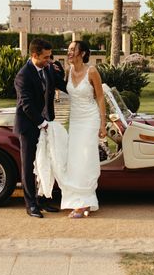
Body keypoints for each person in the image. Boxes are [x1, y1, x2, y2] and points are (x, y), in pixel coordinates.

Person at [14, 38, 66, 218]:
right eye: (45, 57)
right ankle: (31, 205)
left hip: (47, 123)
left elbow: (62, 84)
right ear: (34, 55)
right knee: (29, 165)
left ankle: (43, 199)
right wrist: (41, 123)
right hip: (29, 126)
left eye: (50, 57)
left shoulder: (49, 68)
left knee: (47, 162)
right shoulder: (23, 75)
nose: (49, 61)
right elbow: (26, 105)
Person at [60, 40, 107, 218]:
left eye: (73, 49)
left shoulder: (92, 71)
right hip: (75, 121)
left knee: (86, 159)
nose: (69, 52)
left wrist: (102, 124)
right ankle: (74, 201)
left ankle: (85, 203)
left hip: (90, 119)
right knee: (74, 160)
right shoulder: (67, 70)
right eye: (69, 49)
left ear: (83, 53)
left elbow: (100, 98)